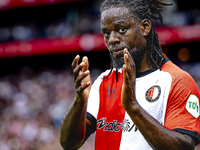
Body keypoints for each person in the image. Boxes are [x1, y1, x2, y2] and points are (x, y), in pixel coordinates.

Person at [60, 0, 200, 149]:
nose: (112, 39)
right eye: (106, 33)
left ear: (145, 27)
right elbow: (68, 144)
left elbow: (184, 146)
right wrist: (79, 101)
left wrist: (132, 107)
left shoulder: (177, 80)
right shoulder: (103, 81)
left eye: (121, 29)